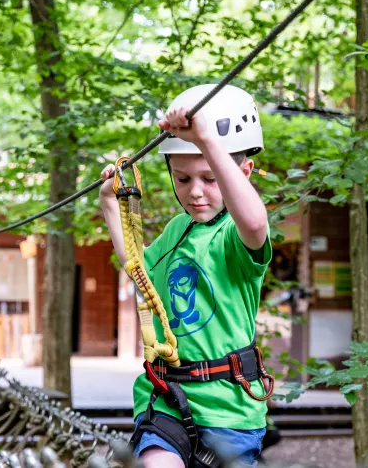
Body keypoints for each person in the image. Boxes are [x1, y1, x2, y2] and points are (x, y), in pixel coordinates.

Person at [99, 84, 274, 468]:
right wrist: (111, 204)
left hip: (229, 409)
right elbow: (141, 271)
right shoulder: (179, 229)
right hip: (169, 400)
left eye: (210, 179)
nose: (195, 192)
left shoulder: (234, 237)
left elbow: (254, 222)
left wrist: (207, 139)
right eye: (182, 179)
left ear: (242, 172)